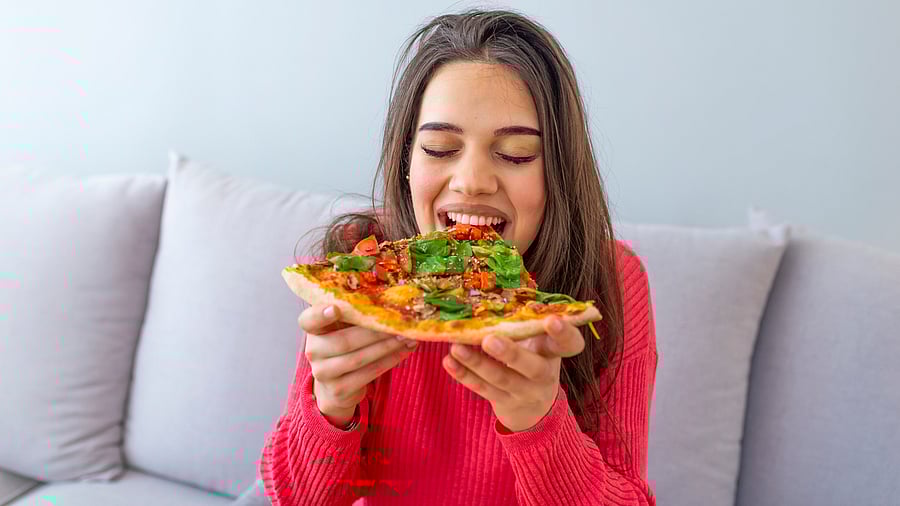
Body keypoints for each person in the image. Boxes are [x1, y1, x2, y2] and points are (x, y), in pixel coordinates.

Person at [259, 8, 658, 505]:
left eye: (515, 154)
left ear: (559, 170)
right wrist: (330, 407)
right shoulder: (362, 265)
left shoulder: (611, 279)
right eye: (440, 148)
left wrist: (538, 421)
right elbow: (294, 497)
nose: (472, 181)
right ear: (406, 158)